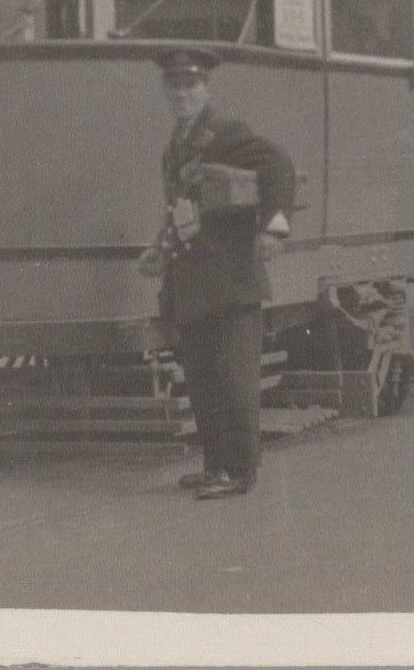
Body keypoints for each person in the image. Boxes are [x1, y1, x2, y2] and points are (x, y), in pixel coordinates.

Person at [138, 47, 296, 500]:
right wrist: (159, 249)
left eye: (191, 85)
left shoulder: (224, 133)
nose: (182, 94)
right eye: (174, 86)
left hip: (229, 279)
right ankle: (215, 467)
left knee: (234, 379)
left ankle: (239, 471)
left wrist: (274, 228)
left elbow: (278, 165)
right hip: (192, 282)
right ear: (165, 91)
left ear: (205, 88)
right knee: (204, 379)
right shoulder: (177, 144)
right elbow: (185, 209)